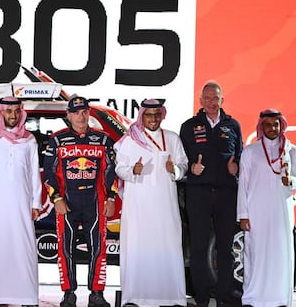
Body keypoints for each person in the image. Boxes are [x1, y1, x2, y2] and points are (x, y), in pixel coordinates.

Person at [43, 95, 117, 307]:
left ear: (89, 113)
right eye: (76, 112)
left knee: (98, 247)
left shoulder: (102, 139)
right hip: (67, 202)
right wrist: (56, 197)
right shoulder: (57, 140)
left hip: (94, 201)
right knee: (65, 248)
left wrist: (111, 198)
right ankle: (68, 293)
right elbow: (48, 173)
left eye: (84, 112)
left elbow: (110, 172)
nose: (81, 116)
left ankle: (97, 293)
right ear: (68, 115)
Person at [114, 98, 188, 306]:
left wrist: (175, 170)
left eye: (157, 114)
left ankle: (171, 296)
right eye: (149, 115)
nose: (153, 119)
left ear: (162, 115)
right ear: (142, 116)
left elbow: (184, 166)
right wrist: (132, 171)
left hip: (165, 206)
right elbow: (119, 168)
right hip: (138, 205)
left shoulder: (172, 138)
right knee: (138, 247)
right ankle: (136, 297)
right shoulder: (130, 140)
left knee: (167, 246)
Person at [179, 81, 243, 307]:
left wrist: (237, 169)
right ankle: (202, 297)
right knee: (198, 247)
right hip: (199, 194)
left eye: (215, 98)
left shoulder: (233, 125)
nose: (211, 102)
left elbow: (241, 156)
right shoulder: (189, 126)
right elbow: (181, 161)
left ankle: (224, 297)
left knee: (225, 248)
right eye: (207, 98)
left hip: (226, 194)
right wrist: (190, 169)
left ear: (222, 100)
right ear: (200, 101)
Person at [0, 96, 41, 306]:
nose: (13, 116)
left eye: (16, 112)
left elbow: (34, 174)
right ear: (1, 112)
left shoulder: (29, 140)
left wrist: (35, 203)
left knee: (24, 250)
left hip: (22, 205)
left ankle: (27, 297)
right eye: (8, 111)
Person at [237, 109, 296, 307]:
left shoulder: (291, 150)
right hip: (256, 212)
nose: (273, 128)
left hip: (282, 212)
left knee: (281, 253)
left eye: (276, 124)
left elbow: (294, 181)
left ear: (281, 126)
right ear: (261, 127)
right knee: (257, 254)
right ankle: (254, 297)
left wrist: (291, 182)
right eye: (268, 125)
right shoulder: (250, 151)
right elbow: (243, 186)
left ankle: (280, 297)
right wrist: (243, 215)